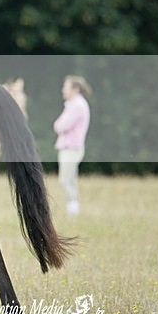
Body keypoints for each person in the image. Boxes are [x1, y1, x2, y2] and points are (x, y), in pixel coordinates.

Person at [53, 75, 92, 215]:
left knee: (65, 180)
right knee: (70, 179)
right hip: (70, 147)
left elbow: (62, 125)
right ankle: (73, 209)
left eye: (66, 87)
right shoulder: (74, 104)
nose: (63, 89)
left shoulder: (77, 105)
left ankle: (73, 210)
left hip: (71, 147)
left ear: (75, 89)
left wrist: (58, 125)